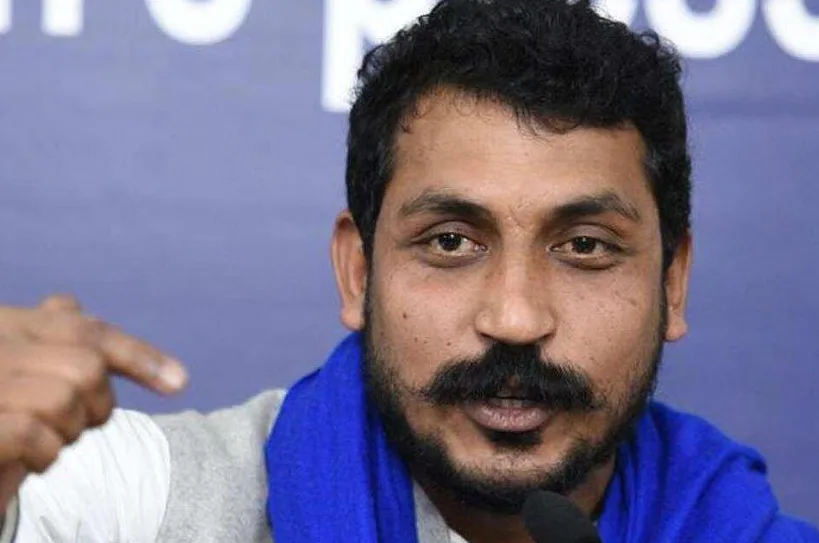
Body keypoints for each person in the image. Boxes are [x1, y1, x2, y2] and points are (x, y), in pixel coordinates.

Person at [0, 0, 817, 541]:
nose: (514, 316)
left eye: (584, 247)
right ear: (357, 272)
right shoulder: (149, 503)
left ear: (672, 281)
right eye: (452, 242)